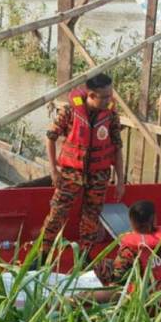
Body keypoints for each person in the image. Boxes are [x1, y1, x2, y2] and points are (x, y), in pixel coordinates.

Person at [41, 73, 125, 258]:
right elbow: (50, 137)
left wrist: (120, 181)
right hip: (71, 173)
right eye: (104, 96)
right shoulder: (70, 112)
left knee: (91, 218)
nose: (108, 100)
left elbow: (117, 149)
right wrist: (53, 170)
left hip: (99, 176)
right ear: (91, 95)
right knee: (56, 214)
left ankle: (84, 256)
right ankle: (42, 254)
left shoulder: (111, 116)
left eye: (110, 95)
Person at [91, 200, 161, 302]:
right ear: (154, 219)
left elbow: (118, 278)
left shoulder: (130, 249)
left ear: (132, 222)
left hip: (143, 295)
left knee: (102, 266)